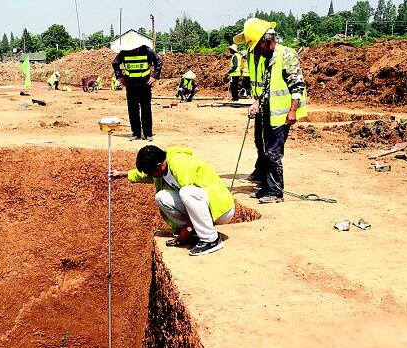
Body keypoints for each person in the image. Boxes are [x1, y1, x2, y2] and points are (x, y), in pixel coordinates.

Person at [111, 145, 236, 256]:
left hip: (221, 210)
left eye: (151, 172)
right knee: (161, 197)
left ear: (159, 166)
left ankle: (211, 239)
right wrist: (121, 173)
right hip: (204, 206)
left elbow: (190, 197)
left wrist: (187, 229)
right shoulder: (162, 166)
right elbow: (144, 176)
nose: (150, 176)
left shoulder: (179, 163)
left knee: (186, 192)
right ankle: (196, 233)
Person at [234, 18, 308, 203]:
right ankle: (266, 187)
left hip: (281, 115)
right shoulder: (266, 58)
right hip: (266, 112)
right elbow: (265, 87)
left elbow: (297, 86)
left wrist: (292, 111)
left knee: (273, 153)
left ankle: (275, 192)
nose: (257, 50)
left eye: (259, 45)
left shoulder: (286, 55)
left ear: (267, 41)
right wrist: (256, 103)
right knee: (264, 150)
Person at [112, 39, 162, 141]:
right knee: (133, 110)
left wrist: (154, 76)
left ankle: (148, 134)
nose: (132, 50)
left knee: (146, 109)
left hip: (144, 85)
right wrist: (120, 77)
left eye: (134, 48)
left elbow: (159, 62)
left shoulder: (147, 51)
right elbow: (115, 63)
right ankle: (136, 133)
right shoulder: (124, 52)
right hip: (130, 85)